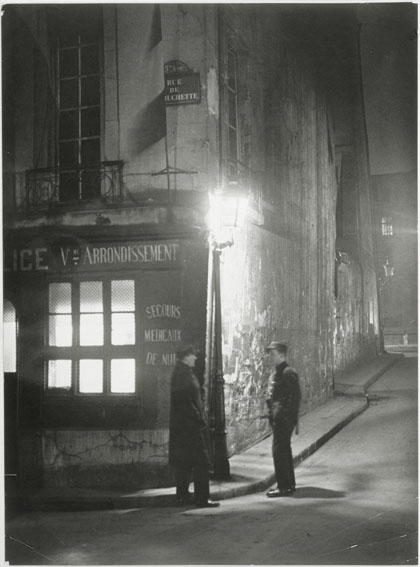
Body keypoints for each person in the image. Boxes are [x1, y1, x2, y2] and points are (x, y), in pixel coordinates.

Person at [168, 345, 220, 508]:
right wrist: (199, 419)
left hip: (184, 427)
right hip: (190, 427)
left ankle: (182, 496)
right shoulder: (183, 374)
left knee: (184, 463)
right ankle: (202, 498)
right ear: (185, 357)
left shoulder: (182, 372)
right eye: (192, 355)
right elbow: (185, 402)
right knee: (201, 463)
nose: (195, 358)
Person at [265, 341, 301, 497]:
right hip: (278, 420)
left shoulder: (287, 373)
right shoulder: (277, 373)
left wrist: (287, 418)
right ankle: (289, 484)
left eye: (273, 354)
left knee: (279, 452)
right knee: (284, 450)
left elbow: (295, 398)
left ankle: (283, 486)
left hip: (283, 421)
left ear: (281, 355)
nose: (270, 357)